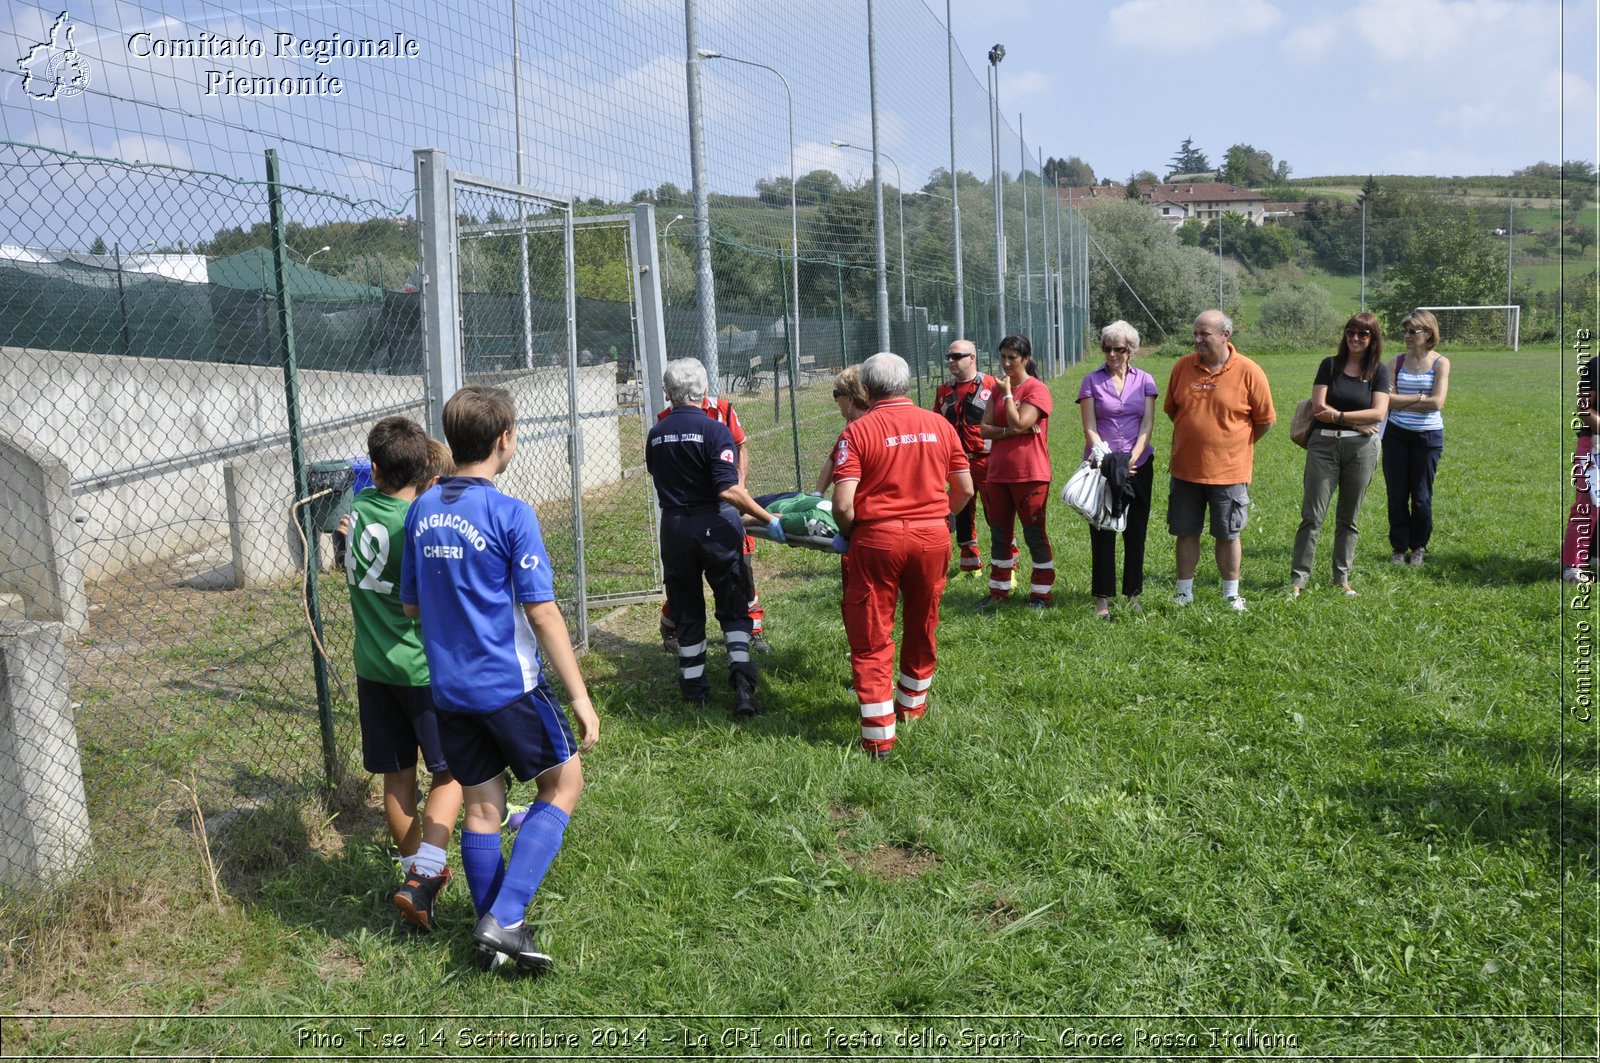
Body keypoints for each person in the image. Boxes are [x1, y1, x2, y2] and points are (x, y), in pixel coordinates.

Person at [400, 385, 600, 974]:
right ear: (505, 440)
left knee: (483, 810)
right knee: (563, 784)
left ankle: (492, 940)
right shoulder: (511, 514)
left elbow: (412, 608)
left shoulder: (423, 509)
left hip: (449, 690)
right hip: (509, 687)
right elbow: (541, 612)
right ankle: (506, 915)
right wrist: (581, 696)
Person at [342, 417, 463, 932]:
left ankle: (414, 873)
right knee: (453, 771)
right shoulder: (413, 524)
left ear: (372, 469)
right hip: (419, 669)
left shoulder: (356, 510)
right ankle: (423, 877)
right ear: (426, 477)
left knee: (398, 777)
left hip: (372, 667)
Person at [832, 352, 972, 759]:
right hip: (932, 537)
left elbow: (843, 505)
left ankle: (879, 736)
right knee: (922, 620)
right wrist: (941, 517)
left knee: (873, 633)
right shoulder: (940, 425)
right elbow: (963, 489)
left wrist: (850, 534)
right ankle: (912, 707)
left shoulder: (858, 432)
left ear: (868, 389)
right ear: (906, 385)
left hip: (878, 540)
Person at [647, 358, 786, 716]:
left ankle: (693, 690)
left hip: (675, 528)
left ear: (668, 393)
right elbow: (728, 489)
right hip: (716, 526)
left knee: (686, 607)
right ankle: (742, 685)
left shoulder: (656, 433)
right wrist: (768, 519)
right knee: (732, 605)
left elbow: (658, 473)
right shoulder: (714, 429)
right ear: (704, 390)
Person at [1165, 310, 1276, 611]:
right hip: (1186, 469)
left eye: (1205, 334)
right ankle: (1183, 593)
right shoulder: (1182, 367)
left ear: (1226, 335)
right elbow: (1173, 410)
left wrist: (1234, 444)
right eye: (1196, 333)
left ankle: (1231, 594)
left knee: (1228, 534)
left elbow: (1264, 420)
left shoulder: (1250, 371)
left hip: (1229, 472)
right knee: (1186, 531)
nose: (1197, 339)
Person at [656, 387, 770, 654]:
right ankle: (672, 624)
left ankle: (752, 629)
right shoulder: (666, 419)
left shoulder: (723, 410)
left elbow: (741, 447)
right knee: (684, 577)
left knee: (742, 565)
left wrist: (737, 488)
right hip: (691, 512)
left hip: (725, 504)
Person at [1290, 313, 1391, 597]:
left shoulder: (1379, 371)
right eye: (1350, 332)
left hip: (1361, 449)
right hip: (1323, 445)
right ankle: (1298, 581)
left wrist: (1341, 415)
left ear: (1373, 338)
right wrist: (1355, 421)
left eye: (1363, 334)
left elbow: (1379, 413)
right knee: (1312, 516)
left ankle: (1342, 579)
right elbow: (1319, 407)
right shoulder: (1329, 365)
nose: (1355, 338)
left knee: (1349, 518)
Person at [1077, 321, 1158, 619]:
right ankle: (1102, 599)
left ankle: (1133, 594)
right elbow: (1089, 426)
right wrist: (1111, 461)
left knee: (1136, 531)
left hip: (1140, 463)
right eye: (1107, 348)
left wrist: (1133, 459)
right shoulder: (1090, 381)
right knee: (1102, 529)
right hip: (1103, 464)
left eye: (1119, 349)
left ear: (1131, 351)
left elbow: (1147, 425)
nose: (1112, 354)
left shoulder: (1146, 381)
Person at [978, 334, 1055, 609]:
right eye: (1003, 357)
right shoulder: (996, 389)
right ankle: (998, 591)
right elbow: (983, 429)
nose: (1007, 363)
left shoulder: (1036, 390)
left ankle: (1041, 594)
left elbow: (1020, 421)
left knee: (1034, 533)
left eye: (1013, 357)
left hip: (1030, 474)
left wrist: (1009, 394)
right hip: (997, 474)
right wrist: (1011, 431)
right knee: (999, 535)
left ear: (1026, 359)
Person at [1383, 309, 1452, 568]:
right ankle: (1399, 548)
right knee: (1397, 494)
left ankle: (1419, 547)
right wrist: (1418, 398)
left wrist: (1402, 401)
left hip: (1428, 437)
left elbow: (1437, 402)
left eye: (1413, 331)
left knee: (1422, 496)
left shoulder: (1440, 363)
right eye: (1405, 331)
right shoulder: (1395, 362)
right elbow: (1386, 400)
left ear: (1429, 333)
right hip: (1396, 435)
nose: (1407, 336)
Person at [933, 339, 1001, 577]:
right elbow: (937, 426)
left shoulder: (992, 385)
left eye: (956, 356)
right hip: (958, 464)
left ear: (972, 357)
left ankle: (1006, 565)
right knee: (961, 513)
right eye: (948, 357)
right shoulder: (944, 391)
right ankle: (970, 565)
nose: (951, 361)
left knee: (997, 513)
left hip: (989, 461)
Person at [814, 366, 871, 494]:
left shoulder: (856, 431)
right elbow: (833, 459)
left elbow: (843, 504)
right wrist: (817, 494)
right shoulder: (851, 429)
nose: (836, 401)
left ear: (850, 398)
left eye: (837, 394)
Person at [1565, 354, 1596, 581]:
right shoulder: (1596, 365)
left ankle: (1593, 555)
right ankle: (1573, 564)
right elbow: (1584, 407)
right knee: (1587, 505)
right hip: (1594, 445)